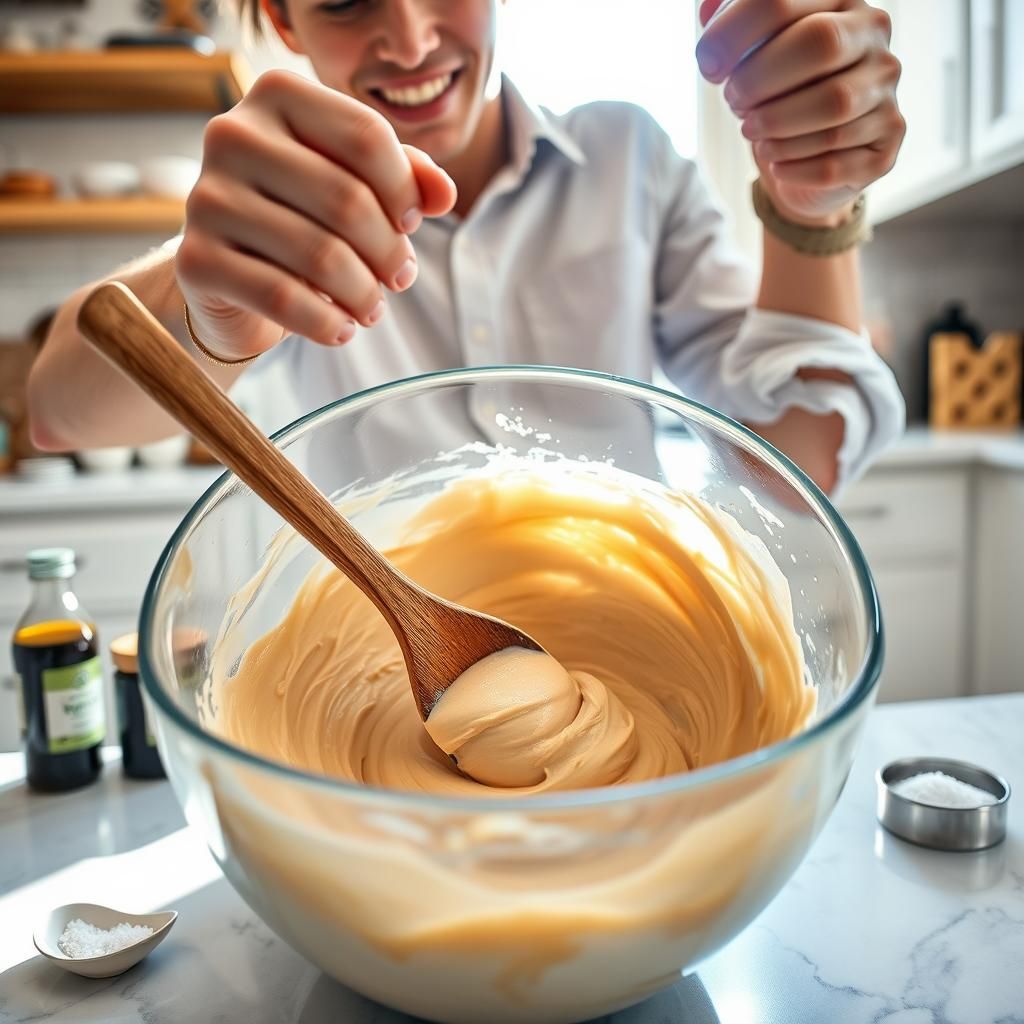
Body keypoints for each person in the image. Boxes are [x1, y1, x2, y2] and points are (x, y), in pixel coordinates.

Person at [29, 0, 906, 494]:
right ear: (284, 21)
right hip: (374, 689)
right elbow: (60, 413)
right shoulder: (278, 208)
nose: (410, 40)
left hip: (628, 664)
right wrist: (210, 311)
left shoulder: (631, 162)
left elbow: (797, 469)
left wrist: (815, 201)